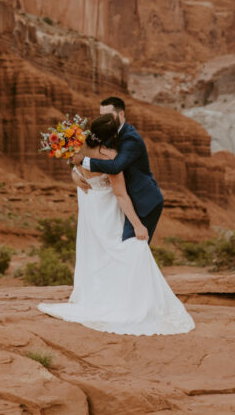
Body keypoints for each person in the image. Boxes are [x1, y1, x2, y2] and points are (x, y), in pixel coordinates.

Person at [37, 113, 194, 335]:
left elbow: (79, 180)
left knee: (97, 253)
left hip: (91, 207)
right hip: (109, 209)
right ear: (110, 136)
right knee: (123, 250)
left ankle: (99, 296)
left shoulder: (76, 151)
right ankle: (125, 301)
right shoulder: (110, 156)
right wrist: (138, 225)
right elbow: (120, 195)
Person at [71, 97, 163, 243]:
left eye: (108, 115)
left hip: (143, 200)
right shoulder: (104, 132)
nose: (104, 119)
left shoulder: (131, 139)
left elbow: (115, 166)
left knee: (132, 245)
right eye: (101, 115)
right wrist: (75, 173)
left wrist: (83, 161)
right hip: (118, 202)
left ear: (121, 114)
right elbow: (81, 154)